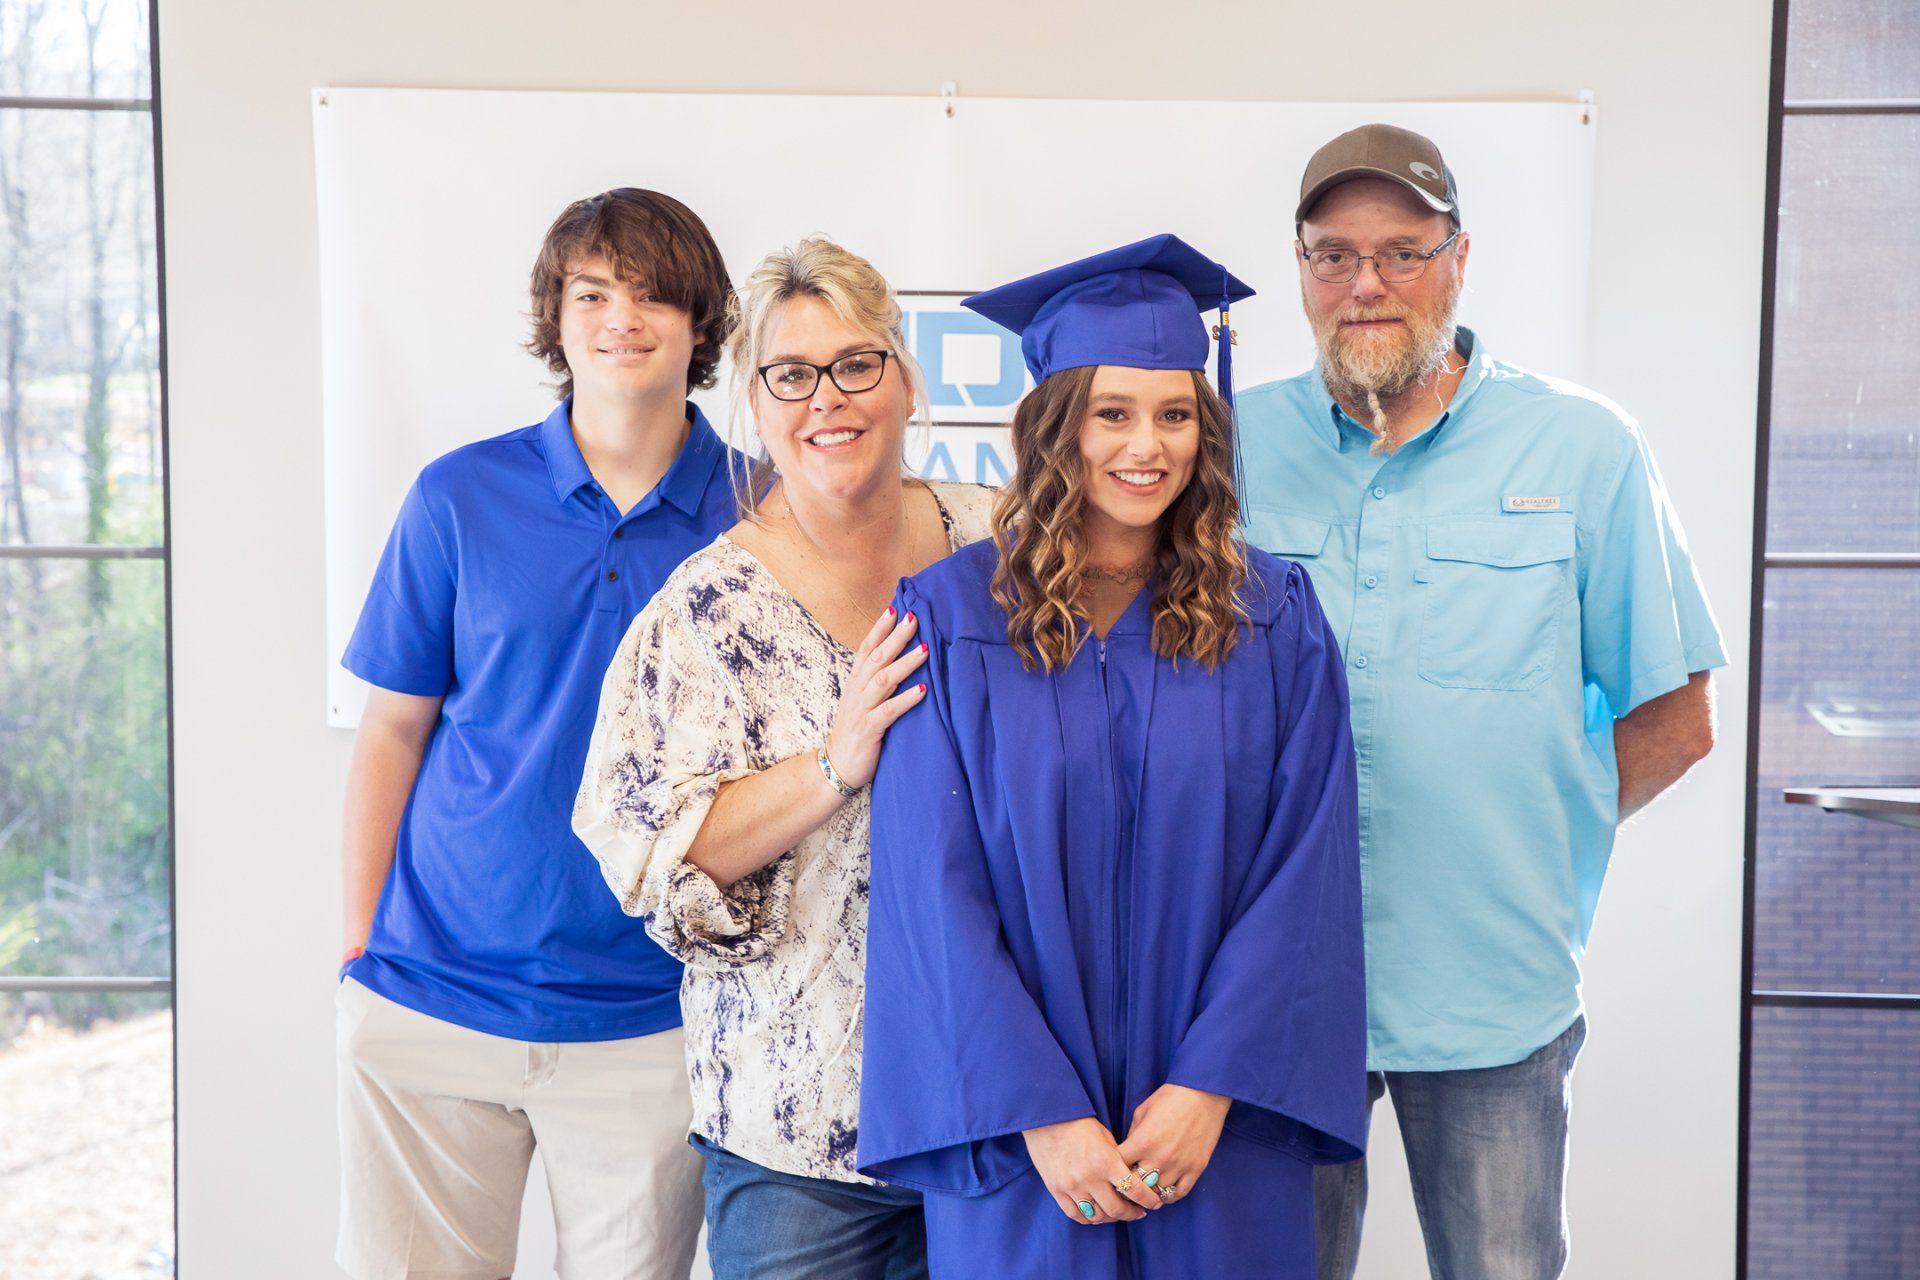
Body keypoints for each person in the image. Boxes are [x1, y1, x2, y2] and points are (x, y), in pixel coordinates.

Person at [1235, 124, 1726, 1280]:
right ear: (1302, 271)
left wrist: (1537, 828)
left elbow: (1679, 710)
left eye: (1403, 252)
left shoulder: (1586, 446)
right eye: (1334, 254)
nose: (1367, 284)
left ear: (1460, 259)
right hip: (1272, 983)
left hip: (1493, 984)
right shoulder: (1228, 445)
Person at [857, 234, 1368, 1280]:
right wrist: (1042, 1112)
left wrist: (1208, 1086)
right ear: (1057, 426)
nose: (1148, 444)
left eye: (1175, 413)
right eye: (1113, 412)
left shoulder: (1273, 621)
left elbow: (1303, 875)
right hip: (1025, 1143)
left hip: (1216, 1133)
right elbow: (930, 887)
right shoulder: (949, 619)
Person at [572, 237, 996, 1280]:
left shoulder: (1003, 545)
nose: (828, 400)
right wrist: (834, 764)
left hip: (997, 1105)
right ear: (755, 407)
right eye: (791, 376)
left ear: (904, 377)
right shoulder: (704, 614)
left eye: (857, 364)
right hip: (798, 1138)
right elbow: (652, 853)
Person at [334, 188, 737, 1280]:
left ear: (701, 321)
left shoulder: (762, 514)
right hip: (433, 993)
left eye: (654, 294)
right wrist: (360, 938)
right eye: (592, 292)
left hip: (651, 1015)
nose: (622, 318)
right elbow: (393, 729)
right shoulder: (459, 495)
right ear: (554, 320)